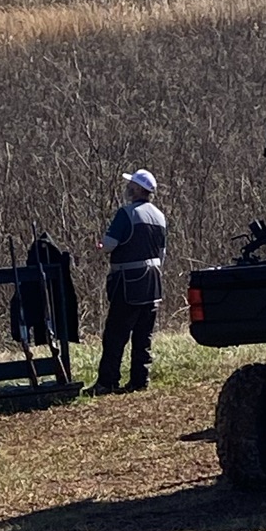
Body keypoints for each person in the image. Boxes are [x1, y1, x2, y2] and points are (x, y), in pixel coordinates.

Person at [92, 168, 166, 395]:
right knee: (144, 335)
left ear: (137, 189)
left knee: (115, 333)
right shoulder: (160, 216)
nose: (128, 188)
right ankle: (139, 380)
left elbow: (110, 244)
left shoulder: (126, 214)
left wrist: (101, 247)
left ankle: (108, 382)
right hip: (153, 282)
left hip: (129, 282)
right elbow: (162, 254)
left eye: (131, 184)